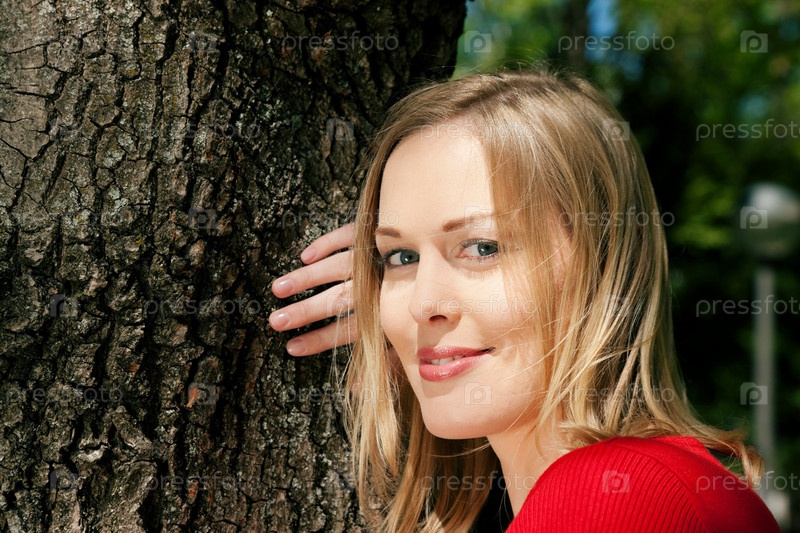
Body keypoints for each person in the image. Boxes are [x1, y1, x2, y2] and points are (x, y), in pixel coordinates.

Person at [269, 68, 780, 532]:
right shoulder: (649, 482)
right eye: (400, 257)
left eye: (482, 247)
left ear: (600, 262)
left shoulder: (616, 494)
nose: (423, 304)